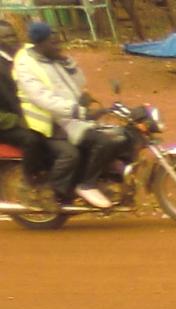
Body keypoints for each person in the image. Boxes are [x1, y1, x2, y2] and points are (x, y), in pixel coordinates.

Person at [12, 22, 114, 209]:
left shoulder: (52, 59)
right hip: (50, 124)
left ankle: (99, 180)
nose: (58, 46)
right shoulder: (27, 65)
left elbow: (80, 81)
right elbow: (42, 98)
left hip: (70, 118)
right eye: (54, 43)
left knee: (112, 136)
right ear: (40, 43)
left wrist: (68, 62)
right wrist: (76, 111)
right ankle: (83, 185)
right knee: (101, 142)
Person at [0, 18, 55, 188]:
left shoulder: (21, 59)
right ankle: (32, 181)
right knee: (33, 139)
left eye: (13, 36)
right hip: (6, 123)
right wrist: (16, 121)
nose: (12, 40)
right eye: (6, 37)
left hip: (27, 114)